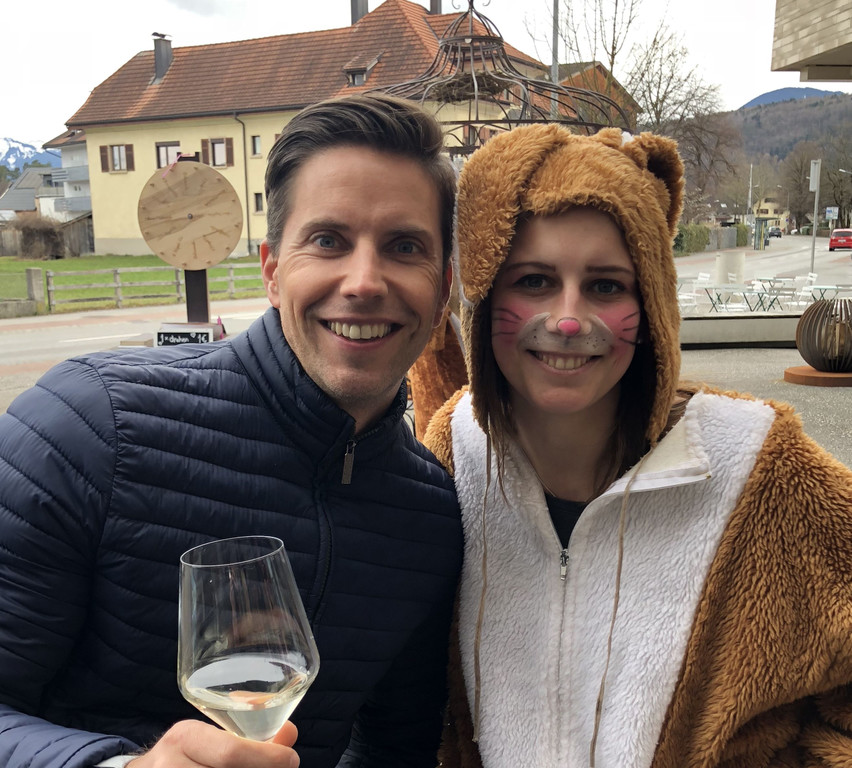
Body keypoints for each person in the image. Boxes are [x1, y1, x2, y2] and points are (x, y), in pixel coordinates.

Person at [0, 93, 462, 768]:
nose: (364, 282)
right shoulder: (90, 427)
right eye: (328, 241)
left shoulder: (429, 517)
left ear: (443, 289)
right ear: (272, 270)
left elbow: (397, 746)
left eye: (404, 246)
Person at [419, 124, 852, 767]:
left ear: (651, 308)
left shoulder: (761, 468)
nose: (569, 320)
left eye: (606, 286)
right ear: (485, 299)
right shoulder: (452, 453)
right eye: (533, 281)